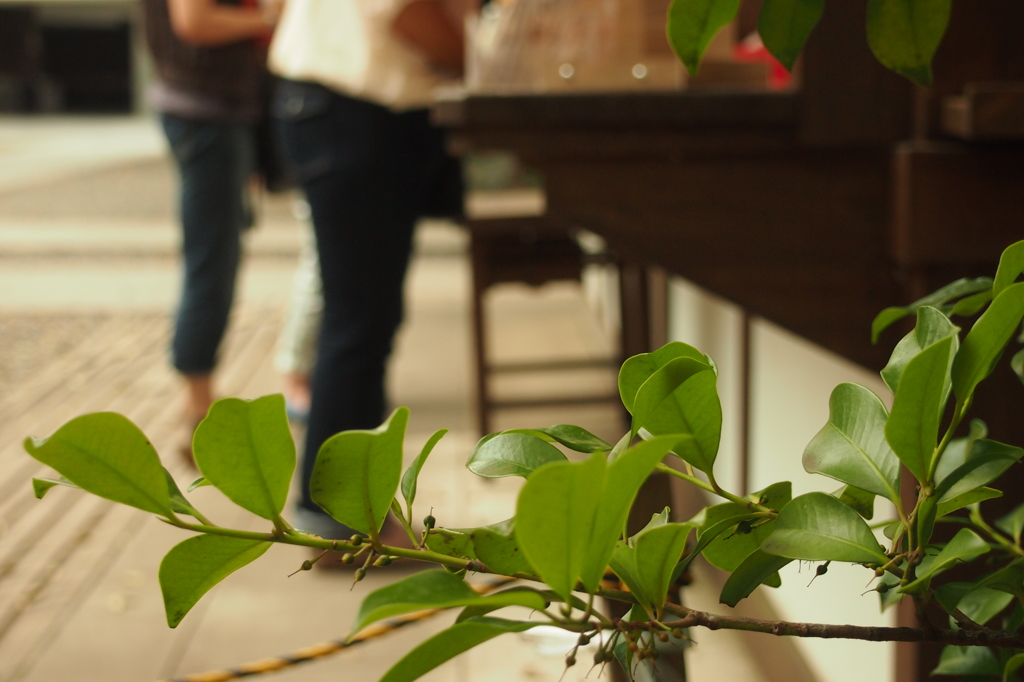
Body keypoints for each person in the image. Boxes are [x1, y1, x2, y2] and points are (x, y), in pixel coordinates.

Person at [268, 0, 467, 541]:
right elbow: (404, 12)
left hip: (354, 114)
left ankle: (344, 509)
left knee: (365, 319)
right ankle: (334, 515)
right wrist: (476, 56)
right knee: (358, 322)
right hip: (353, 114)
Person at [141, 0, 281, 462]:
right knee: (212, 261)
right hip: (204, 111)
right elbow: (194, 21)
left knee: (216, 256)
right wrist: (268, 18)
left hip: (217, 111)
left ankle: (199, 403)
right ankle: (197, 410)